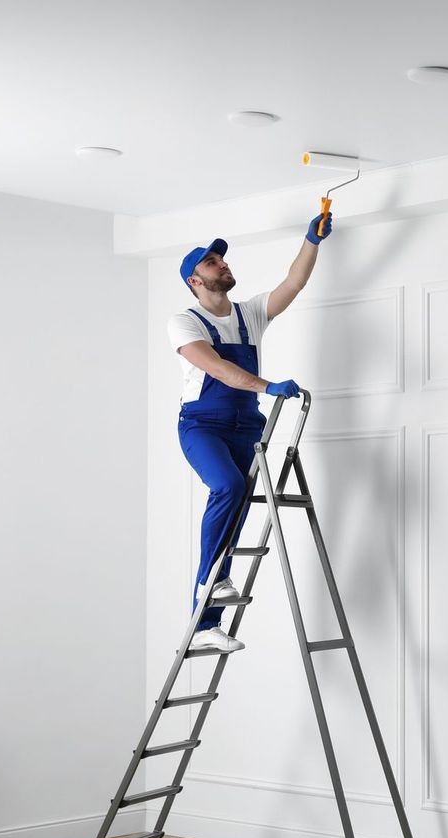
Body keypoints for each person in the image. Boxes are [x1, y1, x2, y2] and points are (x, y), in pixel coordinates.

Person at [166, 211, 332, 652]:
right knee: (227, 486)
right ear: (195, 282)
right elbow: (217, 368)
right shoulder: (184, 322)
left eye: (221, 259)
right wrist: (267, 385)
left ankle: (205, 627)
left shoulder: (249, 315)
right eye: (210, 263)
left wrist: (310, 240)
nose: (221, 264)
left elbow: (292, 284)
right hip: (202, 425)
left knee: (237, 507)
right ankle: (209, 581)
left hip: (246, 425)